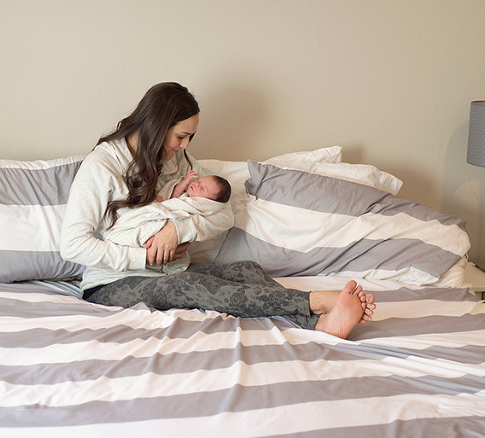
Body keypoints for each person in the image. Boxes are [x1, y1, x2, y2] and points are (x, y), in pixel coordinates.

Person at [60, 82, 375, 339]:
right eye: (181, 136)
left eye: (190, 137)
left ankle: (320, 324)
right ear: (157, 126)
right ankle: (316, 302)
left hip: (171, 271)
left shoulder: (177, 161)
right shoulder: (102, 165)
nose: (185, 146)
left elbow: (224, 212)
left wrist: (177, 229)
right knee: (187, 286)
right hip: (112, 284)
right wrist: (142, 258)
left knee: (247, 270)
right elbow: (73, 245)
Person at [102, 170, 232, 275]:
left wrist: (175, 228)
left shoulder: (198, 206)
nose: (197, 184)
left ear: (208, 202)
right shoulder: (185, 196)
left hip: (167, 228)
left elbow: (225, 217)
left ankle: (135, 242)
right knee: (140, 228)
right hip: (156, 217)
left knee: (148, 235)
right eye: (198, 181)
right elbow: (172, 198)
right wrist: (185, 182)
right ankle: (126, 240)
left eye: (202, 189)